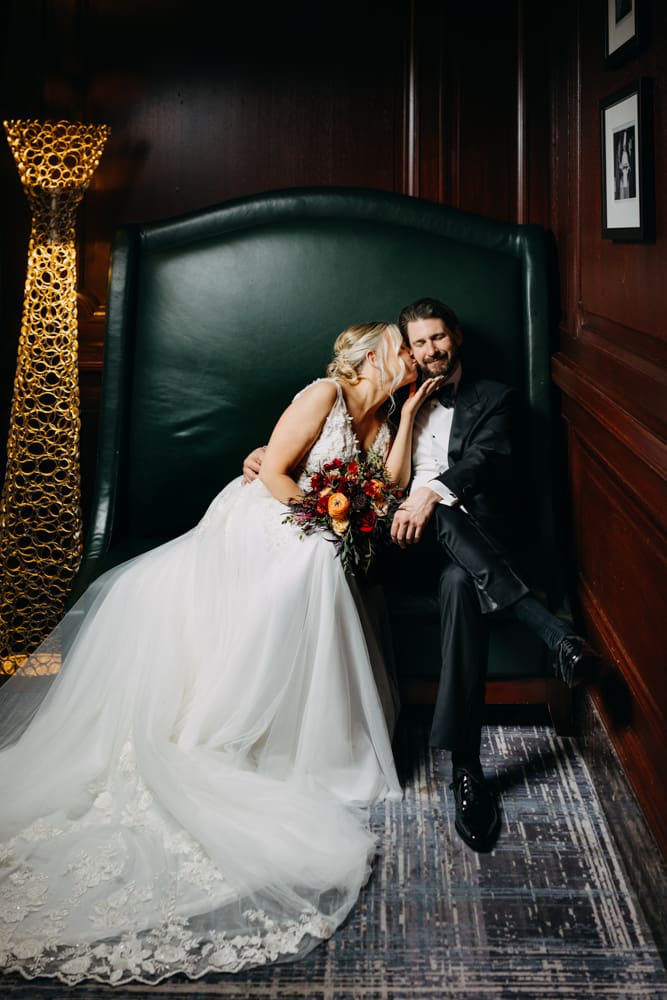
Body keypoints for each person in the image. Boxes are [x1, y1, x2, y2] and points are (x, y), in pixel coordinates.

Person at [0, 322, 442, 986]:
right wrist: (327, 522)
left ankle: (314, 735)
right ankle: (241, 719)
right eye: (405, 349)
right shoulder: (324, 391)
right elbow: (273, 476)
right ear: (377, 350)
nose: (413, 360)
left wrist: (406, 419)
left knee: (325, 562)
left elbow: (388, 488)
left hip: (321, 523)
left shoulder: (384, 413)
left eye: (419, 353)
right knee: (317, 562)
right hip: (265, 517)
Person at [244, 298, 597, 855]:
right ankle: (552, 633)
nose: (428, 352)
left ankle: (467, 771)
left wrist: (429, 496)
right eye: (418, 345)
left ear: (455, 336)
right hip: (397, 546)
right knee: (438, 521)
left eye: (437, 339)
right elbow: (324, 454)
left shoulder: (496, 400)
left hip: (466, 546)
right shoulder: (385, 406)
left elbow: (482, 464)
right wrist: (264, 454)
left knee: (459, 577)